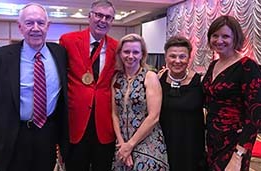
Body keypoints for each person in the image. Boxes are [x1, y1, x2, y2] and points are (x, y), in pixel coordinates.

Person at [0, 3, 69, 171]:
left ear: (48, 26)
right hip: (10, 138)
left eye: (40, 22)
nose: (36, 28)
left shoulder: (60, 54)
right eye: (29, 23)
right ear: (20, 27)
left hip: (46, 136)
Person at [59, 0, 117, 170]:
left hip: (104, 123)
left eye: (108, 17)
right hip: (75, 121)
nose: (103, 20)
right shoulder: (68, 41)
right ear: (89, 16)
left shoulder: (116, 46)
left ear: (112, 21)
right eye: (99, 15)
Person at [202, 15, 261, 171]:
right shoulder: (214, 64)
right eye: (215, 35)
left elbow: (255, 115)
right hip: (213, 140)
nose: (219, 40)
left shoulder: (248, 67)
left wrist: (239, 154)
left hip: (235, 143)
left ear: (236, 38)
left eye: (225, 36)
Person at [111, 33, 169, 170]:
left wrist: (130, 144)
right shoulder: (116, 79)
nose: (130, 56)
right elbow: (114, 114)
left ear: (142, 54)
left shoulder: (150, 77)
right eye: (126, 52)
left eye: (135, 52)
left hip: (147, 142)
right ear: (120, 53)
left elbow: (154, 117)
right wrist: (122, 144)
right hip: (122, 142)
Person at [159, 36, 207, 171]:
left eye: (182, 56)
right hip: (163, 146)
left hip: (192, 148)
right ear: (166, 57)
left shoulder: (200, 82)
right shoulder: (157, 80)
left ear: (189, 58)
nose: (177, 61)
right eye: (172, 56)